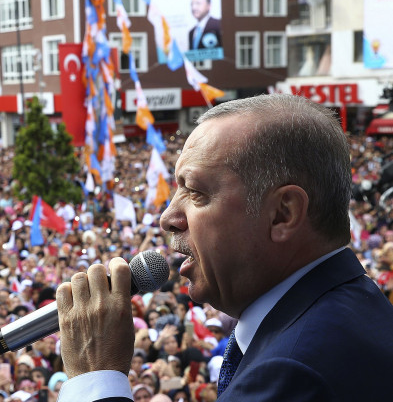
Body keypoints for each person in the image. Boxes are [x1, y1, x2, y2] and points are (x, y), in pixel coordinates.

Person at [55, 94, 393, 401]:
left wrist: (95, 378)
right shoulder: (350, 311)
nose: (167, 218)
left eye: (195, 192)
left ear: (283, 214)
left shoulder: (292, 372)